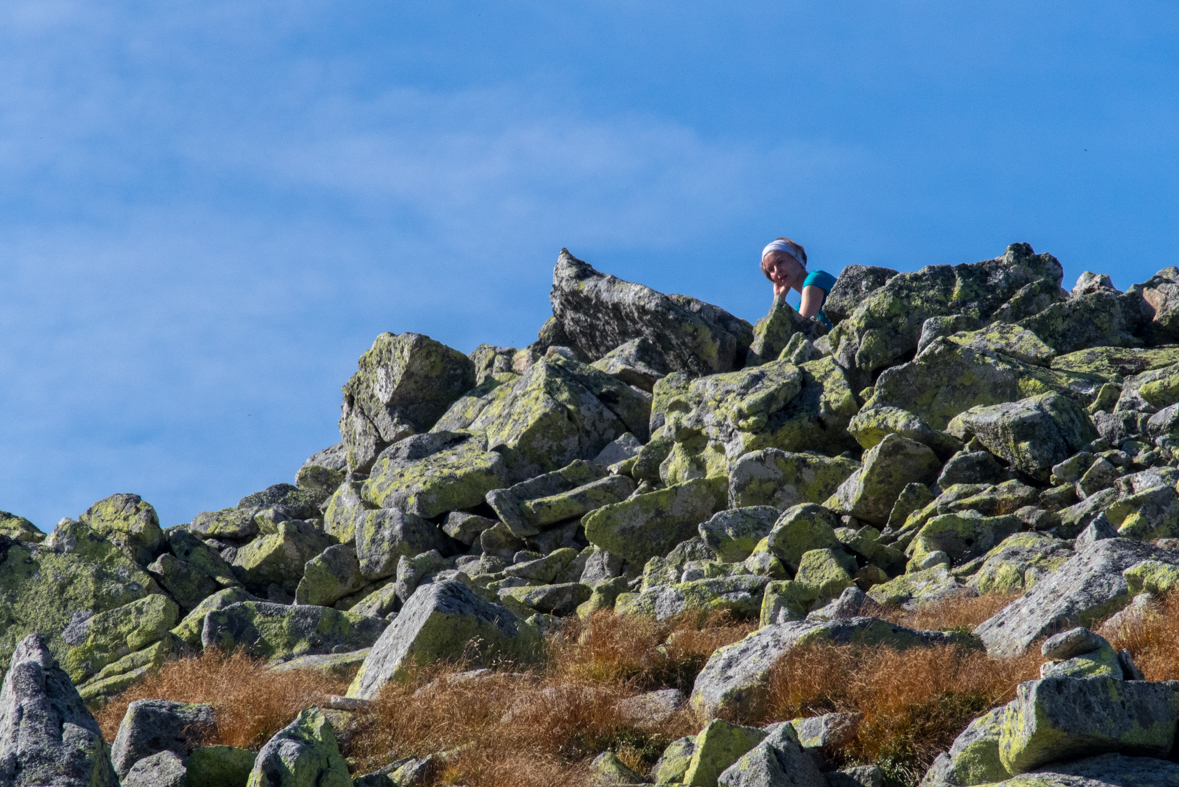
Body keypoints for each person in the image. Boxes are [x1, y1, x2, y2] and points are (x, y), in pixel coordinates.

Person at [760, 237, 837, 331]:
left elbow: (802, 329)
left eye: (780, 262)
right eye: (771, 270)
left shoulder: (815, 278)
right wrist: (778, 298)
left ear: (797, 258)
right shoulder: (798, 309)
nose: (777, 271)